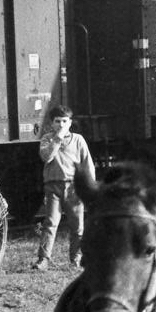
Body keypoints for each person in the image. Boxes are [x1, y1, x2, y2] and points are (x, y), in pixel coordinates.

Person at [35, 103, 97, 270]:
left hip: (73, 188)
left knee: (77, 225)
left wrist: (91, 187)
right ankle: (43, 259)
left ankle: (76, 258)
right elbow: (46, 157)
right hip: (52, 186)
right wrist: (58, 138)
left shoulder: (78, 140)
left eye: (64, 121)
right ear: (51, 123)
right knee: (50, 223)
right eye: (57, 121)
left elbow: (87, 165)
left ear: (70, 122)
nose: (61, 125)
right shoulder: (47, 139)